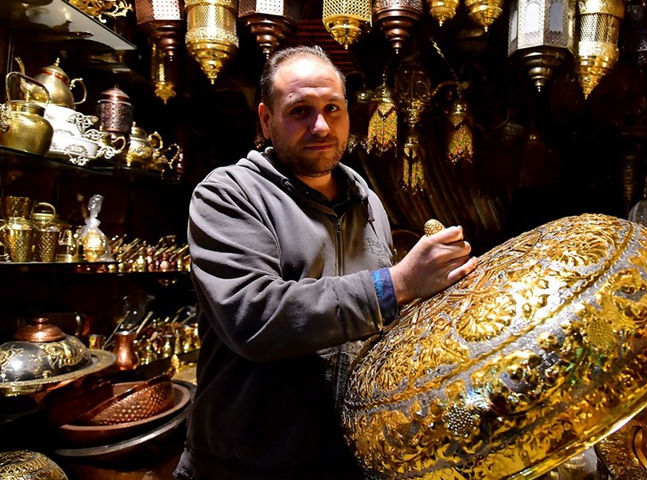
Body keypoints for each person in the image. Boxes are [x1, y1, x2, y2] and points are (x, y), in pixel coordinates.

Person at [174, 45, 478, 480]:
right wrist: (397, 284)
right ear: (266, 120)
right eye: (300, 110)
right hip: (245, 466)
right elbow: (254, 316)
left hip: (346, 460)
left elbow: (376, 325)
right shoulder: (227, 195)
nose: (320, 125)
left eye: (332, 108)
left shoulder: (369, 203)